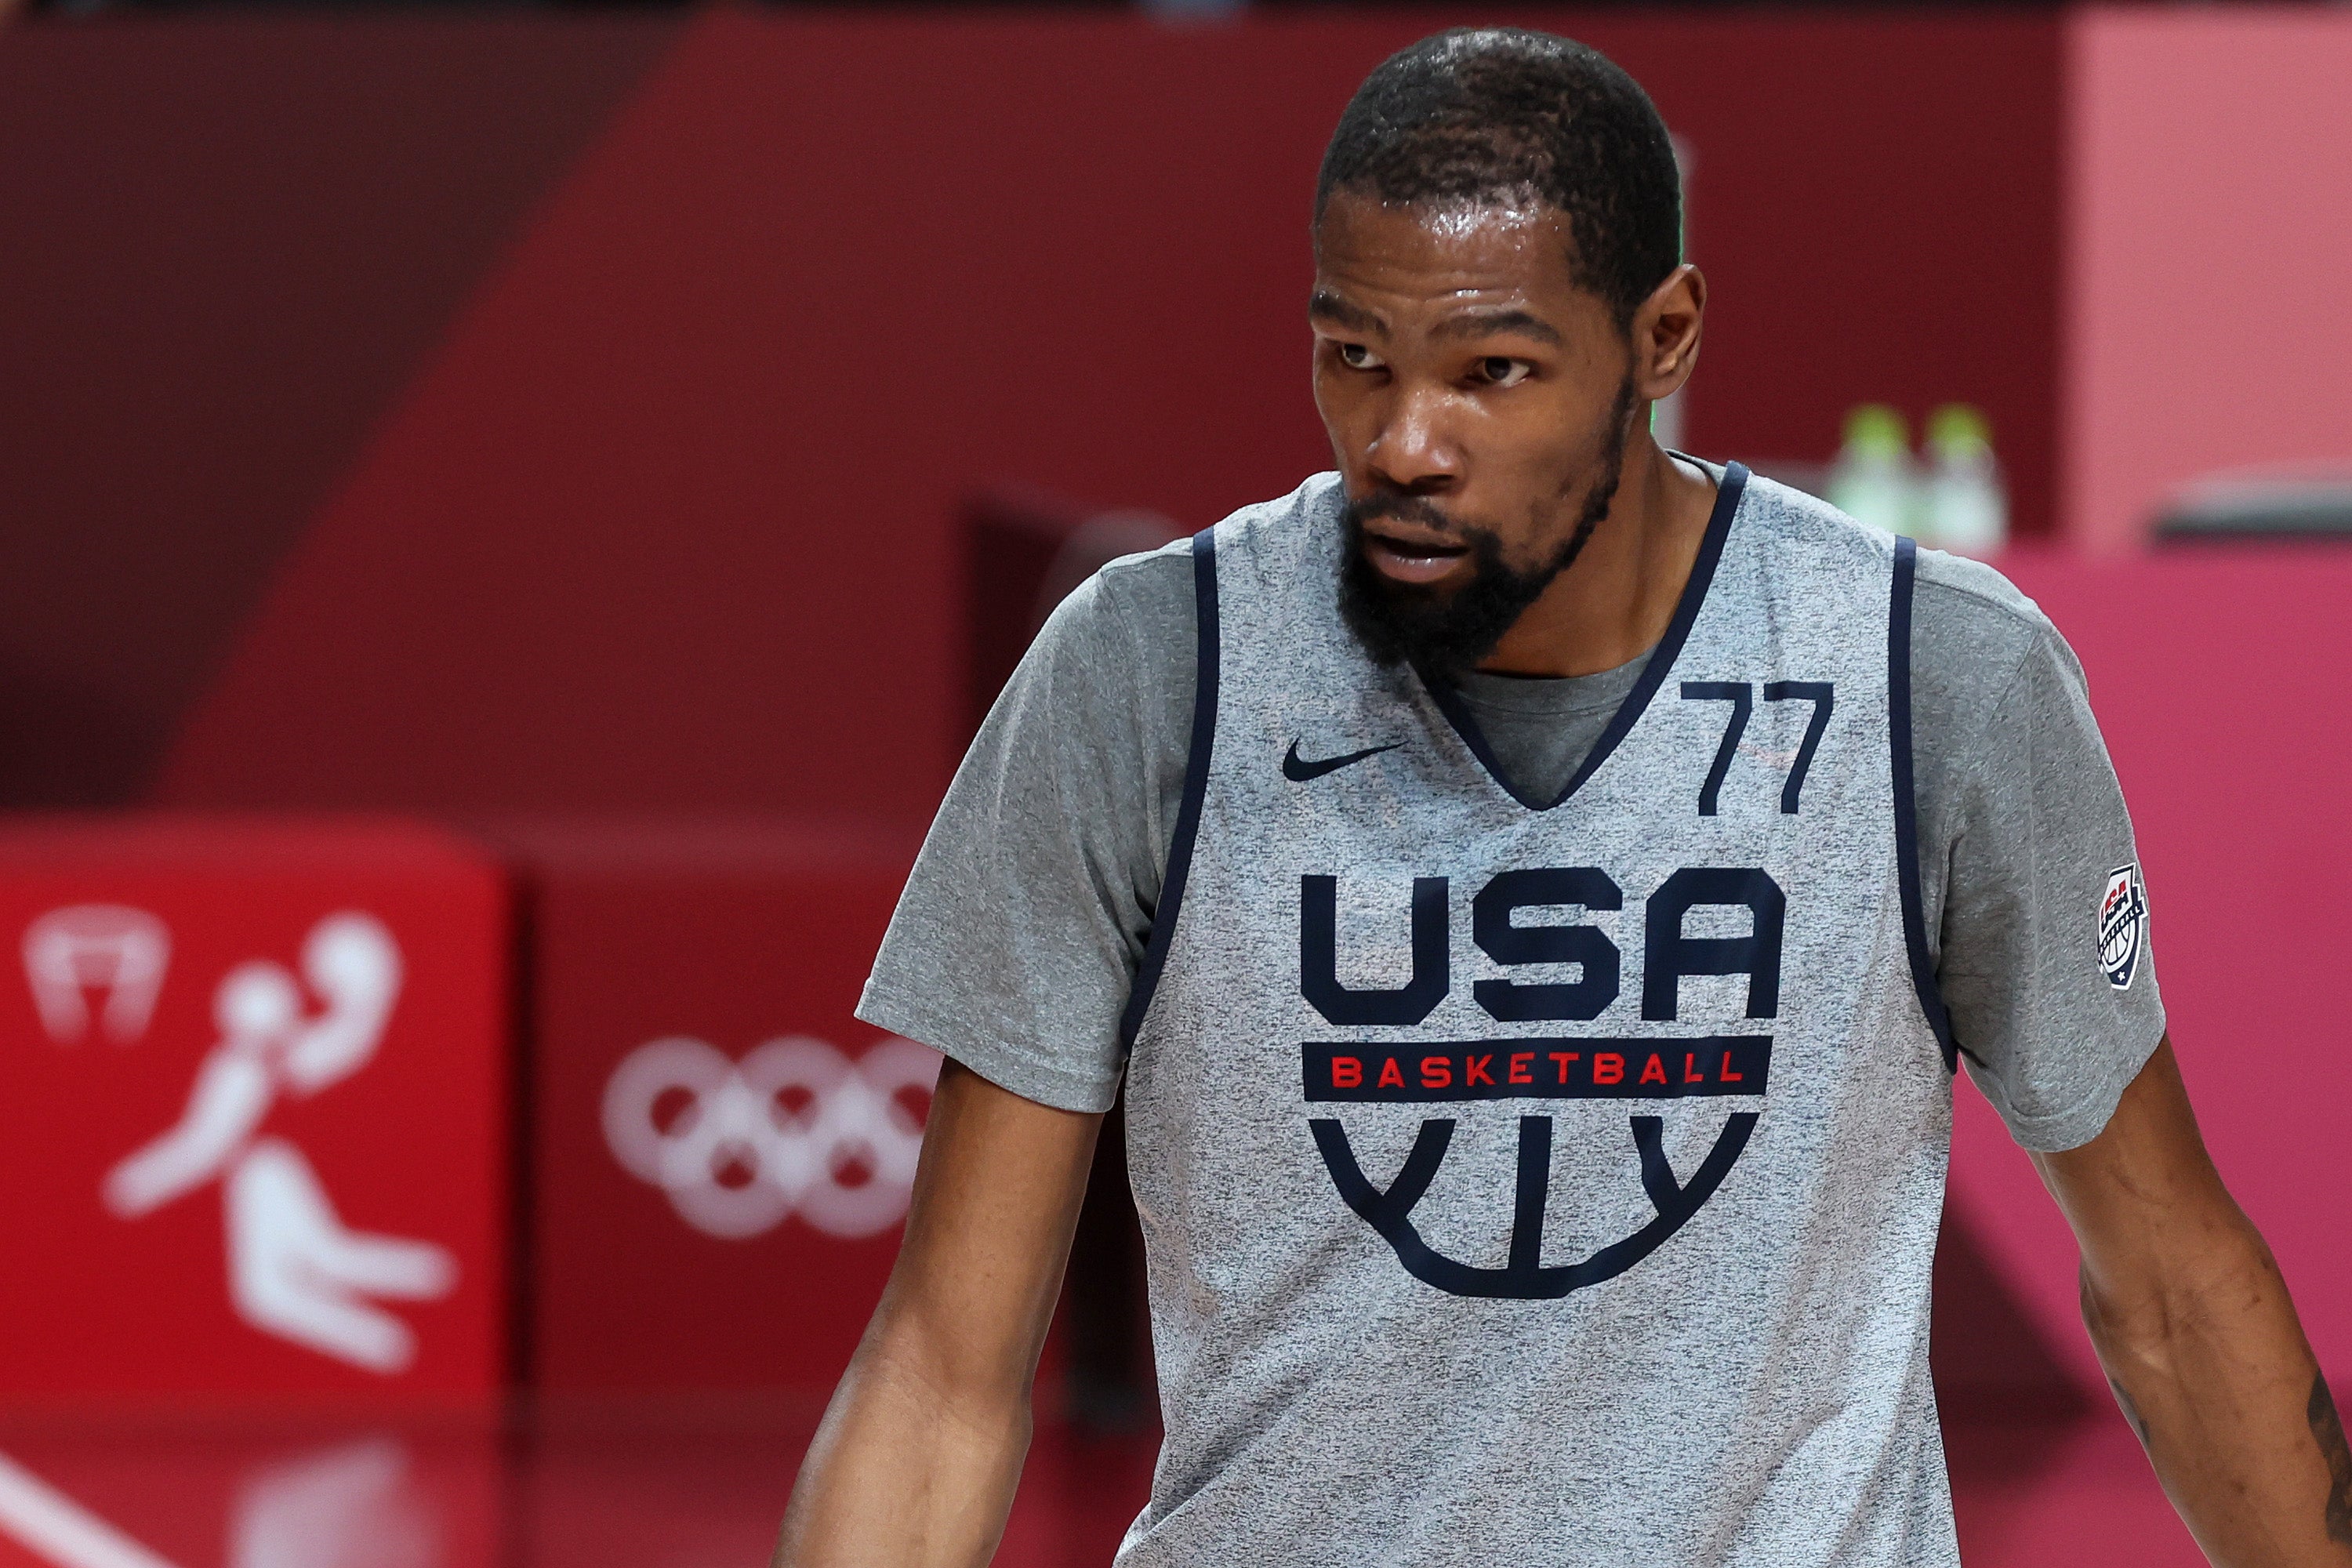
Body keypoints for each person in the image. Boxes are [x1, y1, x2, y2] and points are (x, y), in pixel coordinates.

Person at [776, 27, 2349, 1566]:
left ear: (1662, 341)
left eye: (1494, 372)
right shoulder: (1147, 674)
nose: (1407, 440)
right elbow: (941, 1372)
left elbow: (2171, 1286)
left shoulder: (1933, 676)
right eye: (1356, 357)